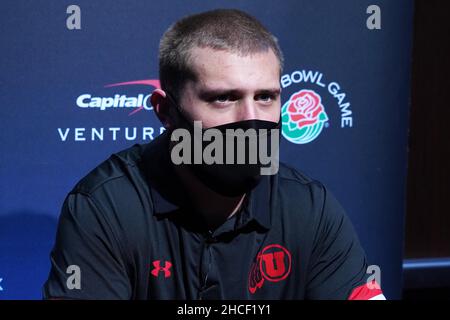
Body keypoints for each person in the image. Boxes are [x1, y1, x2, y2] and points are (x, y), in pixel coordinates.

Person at [43, 8, 385, 300]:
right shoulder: (105, 208)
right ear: (166, 111)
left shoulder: (310, 208)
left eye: (266, 97)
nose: (250, 120)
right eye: (223, 98)